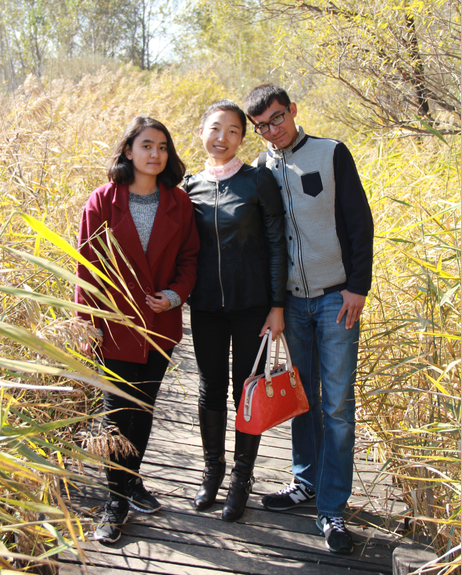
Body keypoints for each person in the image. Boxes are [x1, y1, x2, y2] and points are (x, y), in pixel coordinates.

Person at [244, 84, 374, 554]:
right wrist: (272, 304)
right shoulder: (259, 169)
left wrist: (358, 286)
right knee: (302, 399)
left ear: (293, 110)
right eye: (261, 126)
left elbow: (359, 222)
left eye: (277, 118)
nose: (272, 131)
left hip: (336, 298)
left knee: (336, 405)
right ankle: (305, 482)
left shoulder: (331, 153)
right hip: (292, 305)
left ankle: (332, 508)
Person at [75, 116, 200, 544]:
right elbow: (86, 266)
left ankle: (128, 483)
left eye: (163, 147)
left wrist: (175, 295)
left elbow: (190, 259)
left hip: (159, 324)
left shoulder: (178, 202)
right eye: (147, 145)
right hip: (115, 325)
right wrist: (86, 323)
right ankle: (115, 502)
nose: (155, 154)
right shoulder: (103, 200)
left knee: (142, 409)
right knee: (115, 414)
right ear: (129, 150)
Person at [182, 100, 287, 522]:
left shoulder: (258, 180)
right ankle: (212, 472)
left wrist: (277, 305)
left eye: (232, 131)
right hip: (206, 306)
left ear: (242, 138)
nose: (221, 138)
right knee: (210, 388)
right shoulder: (189, 187)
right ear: (201, 133)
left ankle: (242, 479)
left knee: (247, 390)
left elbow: (277, 244)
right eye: (214, 128)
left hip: (252, 306)